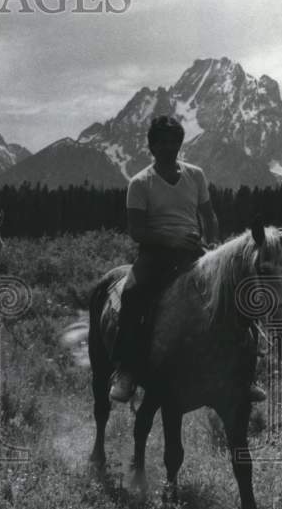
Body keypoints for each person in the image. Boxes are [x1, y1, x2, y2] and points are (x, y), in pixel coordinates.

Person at [110, 116, 266, 403]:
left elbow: (208, 215)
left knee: (236, 292)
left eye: (174, 142)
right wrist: (170, 240)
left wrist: (212, 245)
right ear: (152, 146)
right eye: (163, 142)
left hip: (193, 252)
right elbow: (137, 230)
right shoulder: (140, 182)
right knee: (132, 295)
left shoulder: (195, 175)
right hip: (154, 254)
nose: (169, 147)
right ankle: (127, 370)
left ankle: (247, 371)